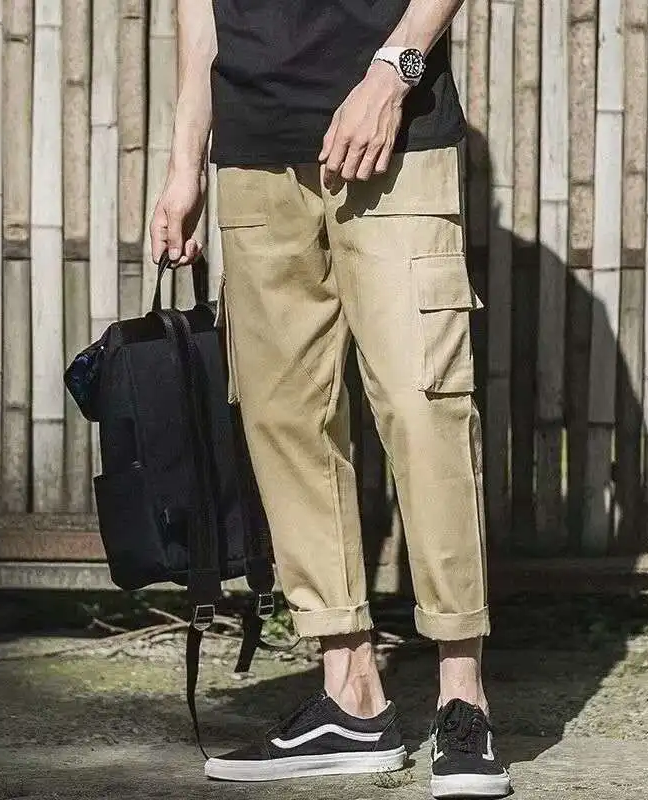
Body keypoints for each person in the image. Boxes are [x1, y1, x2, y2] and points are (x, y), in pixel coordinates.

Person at [149, 1, 510, 796]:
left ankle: (463, 697)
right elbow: (197, 13)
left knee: (424, 406)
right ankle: (351, 696)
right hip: (253, 152)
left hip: (394, 137)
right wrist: (185, 163)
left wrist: (393, 73)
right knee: (285, 418)